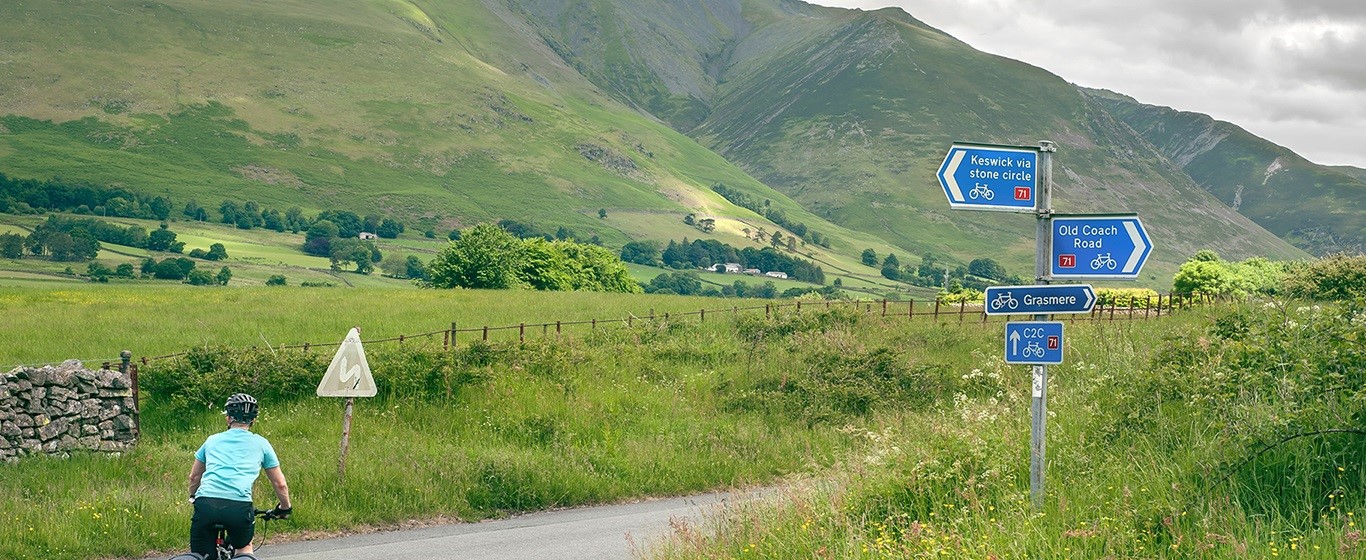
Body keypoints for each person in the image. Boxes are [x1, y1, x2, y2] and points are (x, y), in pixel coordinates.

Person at [184, 393, 292, 558]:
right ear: (253, 420)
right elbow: (280, 484)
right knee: (244, 549)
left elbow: (194, 477)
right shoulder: (262, 444)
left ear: (228, 419)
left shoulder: (212, 440)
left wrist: (193, 495)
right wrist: (285, 508)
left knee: (200, 554)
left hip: (205, 504)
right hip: (238, 507)